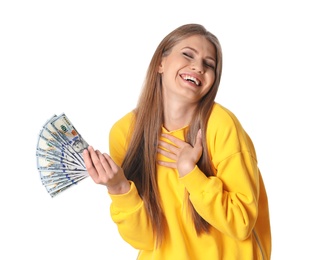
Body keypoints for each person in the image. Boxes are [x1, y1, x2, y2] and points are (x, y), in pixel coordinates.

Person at [83, 23, 272, 259]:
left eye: (209, 64)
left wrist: (190, 173)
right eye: (187, 54)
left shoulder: (221, 125)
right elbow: (146, 239)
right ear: (160, 63)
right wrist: (119, 188)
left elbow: (241, 223)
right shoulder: (125, 132)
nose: (198, 67)